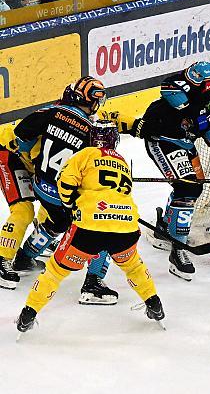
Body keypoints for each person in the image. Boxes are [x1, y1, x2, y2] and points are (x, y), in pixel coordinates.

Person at [103, 42, 210, 281]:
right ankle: (178, 250)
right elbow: (169, 87)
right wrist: (188, 111)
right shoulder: (205, 71)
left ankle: (166, 230)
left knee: (194, 187)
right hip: (162, 136)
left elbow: (209, 125)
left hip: (184, 141)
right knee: (187, 187)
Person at [16, 120, 165, 335]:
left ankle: (28, 314)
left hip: (88, 227)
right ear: (114, 139)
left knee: (55, 271)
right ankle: (155, 305)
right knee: (134, 267)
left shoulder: (85, 154)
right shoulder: (122, 161)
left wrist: (70, 204)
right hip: (125, 227)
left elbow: (65, 183)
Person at [12, 77, 121, 305]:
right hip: (65, 195)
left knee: (57, 222)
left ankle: (24, 257)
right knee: (102, 227)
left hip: (42, 186)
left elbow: (21, 136)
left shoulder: (52, 111)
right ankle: (93, 283)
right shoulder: (92, 131)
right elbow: (95, 172)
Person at [0, 123, 39, 289]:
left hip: (24, 159)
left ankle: (41, 239)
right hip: (8, 155)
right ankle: (3, 258)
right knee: (23, 211)